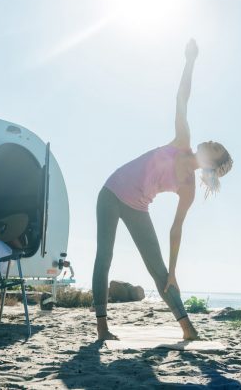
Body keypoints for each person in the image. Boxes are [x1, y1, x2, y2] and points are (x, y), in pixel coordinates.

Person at [92, 39, 233, 341]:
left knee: (159, 272)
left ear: (212, 160)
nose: (210, 140)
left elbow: (176, 230)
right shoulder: (182, 141)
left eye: (216, 146)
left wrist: (173, 270)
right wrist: (190, 61)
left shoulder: (188, 189)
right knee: (105, 255)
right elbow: (182, 98)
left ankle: (187, 329)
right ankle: (102, 328)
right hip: (111, 191)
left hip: (138, 206)